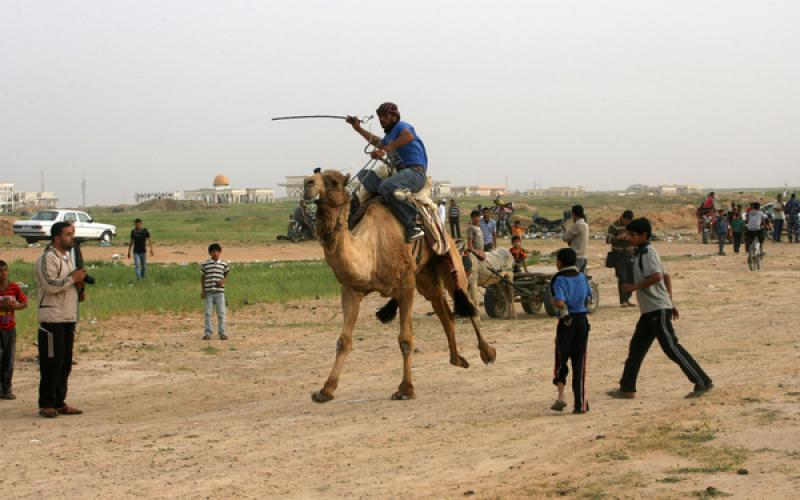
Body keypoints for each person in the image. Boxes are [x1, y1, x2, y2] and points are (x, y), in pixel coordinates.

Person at [608, 218, 713, 400]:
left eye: (633, 235)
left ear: (644, 236)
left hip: (657, 309)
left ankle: (702, 381)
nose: (629, 238)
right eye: (628, 234)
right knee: (636, 349)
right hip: (650, 310)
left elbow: (657, 276)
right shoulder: (641, 252)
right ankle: (627, 388)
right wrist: (670, 302)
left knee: (671, 347)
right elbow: (666, 276)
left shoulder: (648, 252)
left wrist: (635, 287)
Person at [346, 102, 428, 243]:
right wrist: (358, 129)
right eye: (380, 116)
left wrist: (384, 150)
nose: (381, 119)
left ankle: (413, 223)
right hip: (400, 175)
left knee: (385, 186)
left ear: (394, 117)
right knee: (363, 174)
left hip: (415, 173)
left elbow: (407, 136)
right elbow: (378, 142)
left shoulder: (402, 127)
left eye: (385, 116)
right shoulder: (390, 136)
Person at [36, 222, 86, 418]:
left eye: (73, 233)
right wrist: (73, 279)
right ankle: (46, 402)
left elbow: (67, 283)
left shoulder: (67, 258)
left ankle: (59, 401)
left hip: (67, 316)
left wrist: (79, 284)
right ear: (57, 237)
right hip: (51, 317)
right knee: (51, 362)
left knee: (64, 363)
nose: (72, 237)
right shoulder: (47, 258)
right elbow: (49, 285)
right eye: (68, 234)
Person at [549, 248, 592, 414]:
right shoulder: (582, 276)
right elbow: (589, 298)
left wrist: (558, 305)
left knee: (561, 359)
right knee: (579, 362)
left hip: (567, 323)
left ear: (559, 263)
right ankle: (580, 404)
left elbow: (559, 301)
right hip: (582, 321)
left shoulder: (558, 279)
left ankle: (561, 395)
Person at [0, 260, 27, 400]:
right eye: (0, 271)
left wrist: (13, 307)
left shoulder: (13, 287)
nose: (3, 274)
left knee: (8, 359)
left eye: (5, 270)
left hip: (10, 329)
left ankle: (7, 389)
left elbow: (24, 303)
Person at [201, 243, 230, 340]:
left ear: (220, 252)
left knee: (221, 313)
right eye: (213, 251)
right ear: (210, 253)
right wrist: (203, 290)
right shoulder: (206, 264)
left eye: (217, 251)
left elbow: (226, 274)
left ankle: (222, 333)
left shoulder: (224, 264)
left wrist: (223, 281)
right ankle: (208, 333)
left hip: (220, 292)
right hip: (209, 292)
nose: (215, 253)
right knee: (208, 313)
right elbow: (203, 277)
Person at [607, 210, 635, 307]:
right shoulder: (614, 226)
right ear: (622, 218)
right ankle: (623, 301)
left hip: (630, 254)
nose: (628, 223)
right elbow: (608, 240)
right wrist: (619, 237)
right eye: (626, 221)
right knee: (622, 278)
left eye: (630, 221)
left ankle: (627, 298)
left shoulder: (632, 225)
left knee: (632, 278)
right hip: (618, 255)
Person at [466, 210, 485, 307]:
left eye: (479, 217)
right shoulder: (471, 228)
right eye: (475, 217)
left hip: (482, 253)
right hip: (474, 254)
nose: (477, 219)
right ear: (472, 218)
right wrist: (476, 251)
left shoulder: (479, 227)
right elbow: (469, 245)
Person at [562, 205, 589, 272]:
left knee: (572, 279)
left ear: (574, 214)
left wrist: (565, 231)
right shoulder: (585, 225)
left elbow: (565, 238)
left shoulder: (578, 225)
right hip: (583, 257)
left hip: (576, 258)